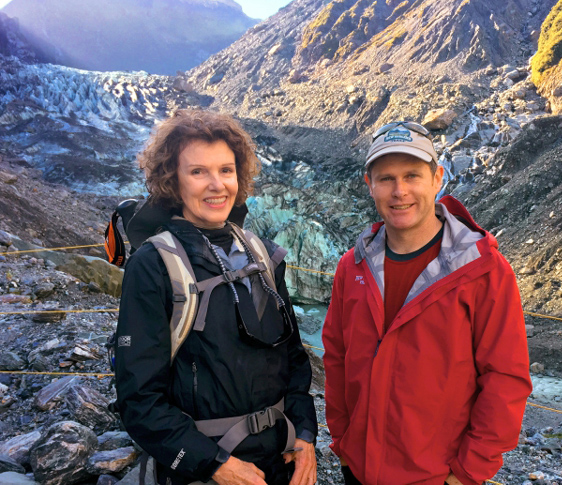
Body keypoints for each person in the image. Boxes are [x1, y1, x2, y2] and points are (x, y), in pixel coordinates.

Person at [322, 121, 532, 485]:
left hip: (435, 477)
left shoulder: (483, 270)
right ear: (369, 184)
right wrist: (343, 441)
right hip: (357, 468)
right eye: (386, 178)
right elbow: (337, 358)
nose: (399, 191)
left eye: (412, 176)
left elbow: (506, 380)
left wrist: (467, 473)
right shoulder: (352, 266)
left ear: (437, 178)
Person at [115, 109, 317, 485]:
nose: (217, 184)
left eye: (226, 170)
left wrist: (304, 435)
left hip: (280, 461)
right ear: (172, 181)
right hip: (206, 473)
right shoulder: (154, 265)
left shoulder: (262, 254)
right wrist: (215, 465)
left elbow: (292, 358)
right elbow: (138, 399)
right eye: (198, 172)